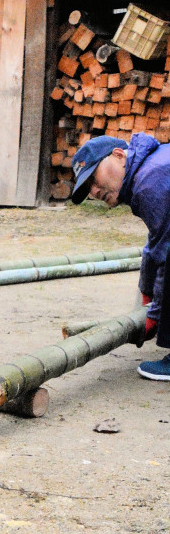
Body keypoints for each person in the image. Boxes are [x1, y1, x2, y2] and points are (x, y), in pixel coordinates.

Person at [70, 133, 170, 380]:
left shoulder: (149, 181)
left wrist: (154, 314)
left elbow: (167, 254)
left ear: (118, 155)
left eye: (94, 177)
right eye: (87, 188)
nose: (94, 191)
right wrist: (147, 293)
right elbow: (155, 243)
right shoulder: (151, 167)